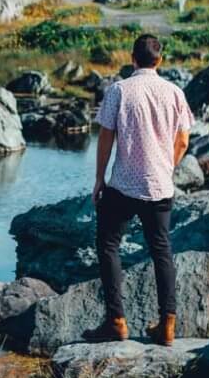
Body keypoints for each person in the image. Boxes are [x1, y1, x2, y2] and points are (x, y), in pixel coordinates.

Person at [82, 33, 194, 347]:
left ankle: (117, 321)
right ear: (159, 61)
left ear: (133, 59)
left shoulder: (119, 90)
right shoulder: (174, 92)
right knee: (161, 250)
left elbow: (106, 137)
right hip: (160, 185)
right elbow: (183, 140)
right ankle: (168, 325)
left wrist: (99, 179)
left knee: (108, 244)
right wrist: (166, 167)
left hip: (123, 185)